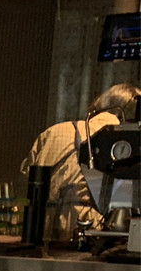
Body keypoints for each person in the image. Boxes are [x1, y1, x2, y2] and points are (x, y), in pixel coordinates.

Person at [22, 82, 141, 233]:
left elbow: (25, 180)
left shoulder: (53, 132)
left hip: (42, 228)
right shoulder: (123, 141)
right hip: (90, 230)